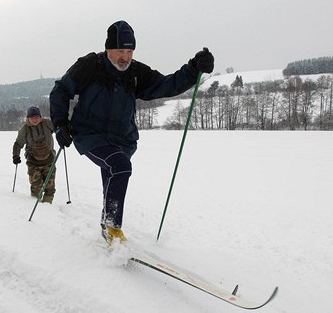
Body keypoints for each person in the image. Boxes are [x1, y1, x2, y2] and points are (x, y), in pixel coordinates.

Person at [49, 20, 214, 244]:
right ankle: (112, 228)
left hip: (122, 139)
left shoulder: (136, 72)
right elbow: (62, 90)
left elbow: (167, 84)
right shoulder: (90, 66)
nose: (125, 57)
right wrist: (60, 123)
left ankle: (106, 225)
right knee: (120, 166)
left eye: (129, 51)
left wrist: (193, 69)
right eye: (120, 50)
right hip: (90, 135)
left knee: (113, 173)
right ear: (108, 48)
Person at [12, 106, 56, 204]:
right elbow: (18, 144)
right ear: (28, 118)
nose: (34, 120)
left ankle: (48, 208)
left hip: (49, 160)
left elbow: (58, 128)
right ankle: (36, 203)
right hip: (33, 163)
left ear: (40, 117)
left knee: (50, 187)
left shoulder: (47, 123)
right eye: (32, 118)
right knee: (36, 187)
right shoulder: (24, 129)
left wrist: (63, 134)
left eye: (36, 117)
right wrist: (15, 155)